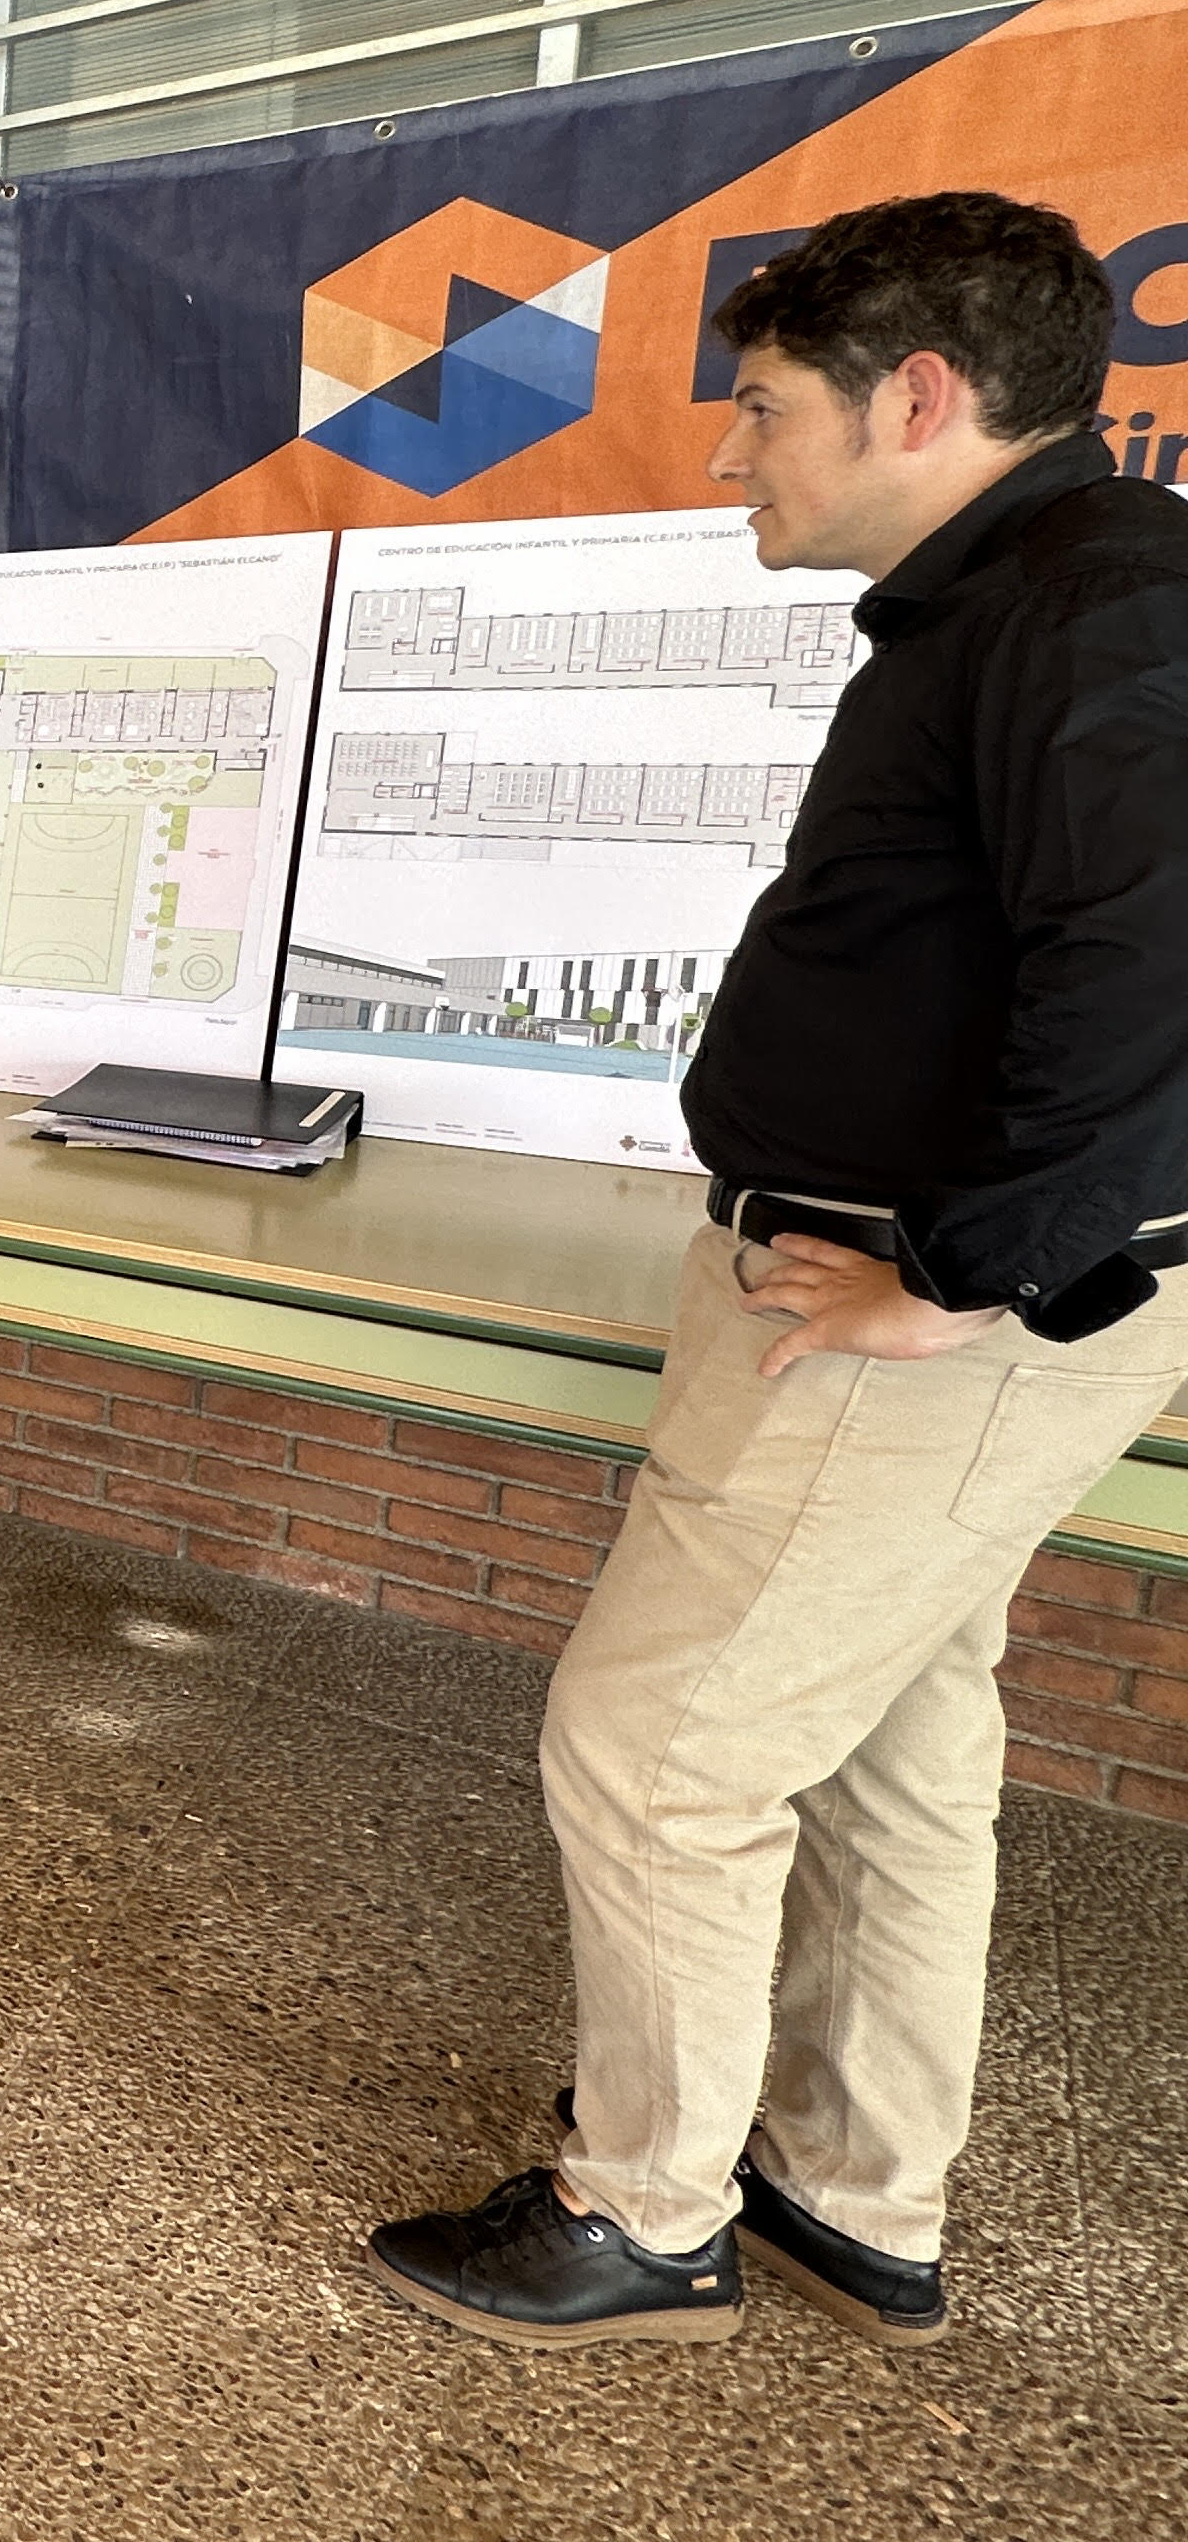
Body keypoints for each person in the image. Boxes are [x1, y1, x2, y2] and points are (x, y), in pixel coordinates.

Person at [368, 191, 1188, 2353]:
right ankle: (855, 2185)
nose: (731, 455)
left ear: (919, 399)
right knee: (901, 1739)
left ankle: (642, 2212)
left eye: (762, 409)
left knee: (655, 1750)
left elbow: (1153, 986)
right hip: (933, 1295)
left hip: (927, 1315)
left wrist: (958, 1282)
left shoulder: (1096, 606)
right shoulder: (1029, 601)